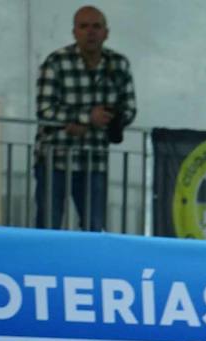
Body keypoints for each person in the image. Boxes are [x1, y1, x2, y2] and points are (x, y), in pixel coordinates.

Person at [34, 5, 137, 231]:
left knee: (94, 227)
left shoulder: (119, 64)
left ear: (106, 32)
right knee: (48, 226)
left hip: (94, 160)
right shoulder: (56, 61)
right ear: (74, 32)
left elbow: (129, 109)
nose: (90, 32)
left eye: (96, 26)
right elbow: (44, 109)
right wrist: (87, 117)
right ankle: (43, 266)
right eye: (84, 26)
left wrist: (110, 119)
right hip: (55, 158)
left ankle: (89, 268)